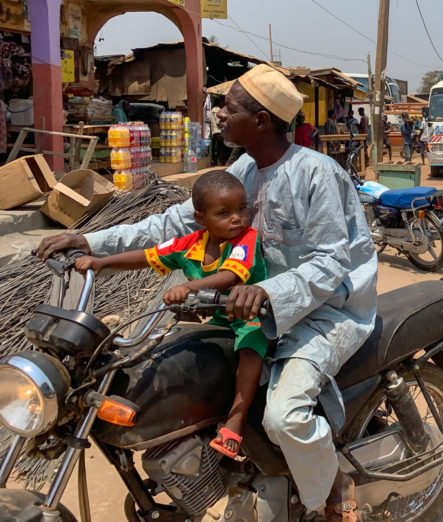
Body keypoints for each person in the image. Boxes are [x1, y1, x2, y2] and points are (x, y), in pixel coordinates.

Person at [37, 64, 377, 521]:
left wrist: (267, 291)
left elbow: (331, 262)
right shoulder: (244, 169)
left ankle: (332, 483)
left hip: (325, 313)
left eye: (228, 106)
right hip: (249, 307)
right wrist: (91, 242)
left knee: (284, 417)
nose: (217, 112)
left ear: (260, 121)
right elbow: (176, 223)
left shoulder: (316, 173)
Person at [72, 171, 267, 458]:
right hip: (219, 319)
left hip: (253, 316)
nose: (236, 218)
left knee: (250, 349)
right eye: (224, 213)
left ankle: (236, 420)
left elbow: (229, 277)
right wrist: (101, 262)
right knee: (183, 349)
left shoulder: (246, 240)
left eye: (241, 209)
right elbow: (147, 256)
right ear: (201, 219)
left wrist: (189, 286)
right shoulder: (190, 244)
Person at [211, 97, 234, 166]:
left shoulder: (225, 110)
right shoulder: (216, 110)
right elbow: (218, 124)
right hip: (218, 133)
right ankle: (230, 161)